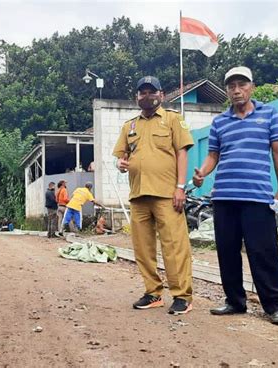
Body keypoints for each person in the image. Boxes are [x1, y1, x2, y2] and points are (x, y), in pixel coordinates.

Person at [193, 66, 278, 325]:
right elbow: (213, 155)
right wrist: (201, 172)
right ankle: (235, 301)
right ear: (227, 91)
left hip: (258, 197)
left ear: (251, 87)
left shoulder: (270, 114)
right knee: (227, 251)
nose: (237, 90)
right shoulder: (220, 122)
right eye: (232, 86)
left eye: (242, 84)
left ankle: (276, 305)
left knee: (263, 251)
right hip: (224, 197)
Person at [113, 76, 194, 315]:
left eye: (151, 92)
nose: (146, 96)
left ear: (161, 94)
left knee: (174, 245)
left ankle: (182, 296)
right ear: (136, 97)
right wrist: (121, 164)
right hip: (138, 195)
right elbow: (121, 157)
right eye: (142, 92)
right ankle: (153, 293)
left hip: (167, 195)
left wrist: (180, 187)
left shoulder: (173, 120)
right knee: (142, 248)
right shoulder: (129, 126)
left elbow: (182, 154)